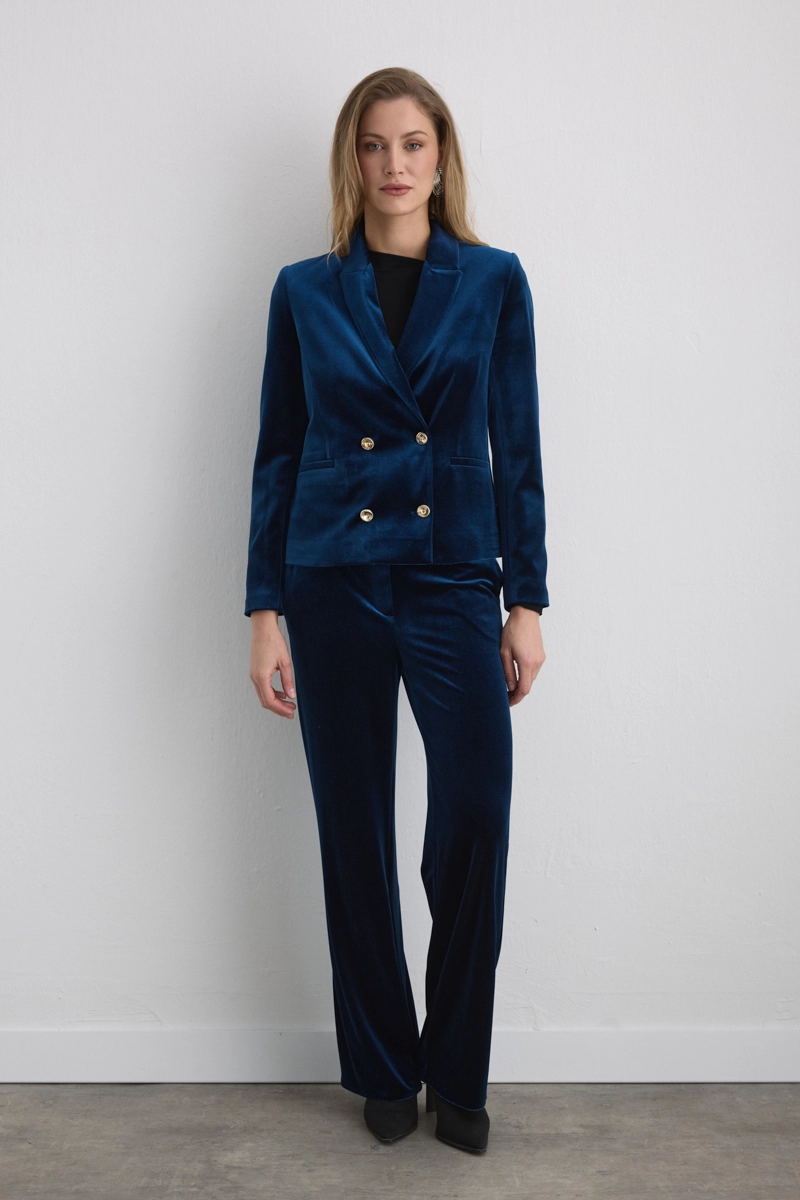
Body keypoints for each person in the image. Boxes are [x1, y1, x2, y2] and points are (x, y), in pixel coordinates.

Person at [245, 66, 548, 1156]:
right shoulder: (303, 290)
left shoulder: (493, 280)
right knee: (353, 826)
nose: (393, 165)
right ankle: (381, 1063)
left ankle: (457, 1071)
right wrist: (264, 610)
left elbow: (518, 447)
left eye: (412, 143)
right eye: (373, 145)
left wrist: (526, 598)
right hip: (330, 575)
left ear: (440, 154)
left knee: (474, 813)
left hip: (452, 572)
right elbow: (279, 453)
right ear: (352, 159)